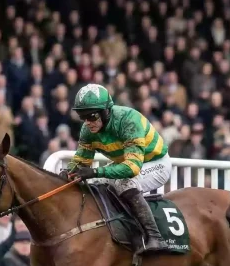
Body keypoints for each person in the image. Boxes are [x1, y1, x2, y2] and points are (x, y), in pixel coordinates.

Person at [63, 83, 172, 254]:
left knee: (124, 183)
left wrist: (95, 171)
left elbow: (132, 167)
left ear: (106, 111)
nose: (87, 123)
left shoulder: (128, 120)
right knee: (96, 183)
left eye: (91, 116)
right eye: (82, 116)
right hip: (127, 162)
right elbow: (81, 161)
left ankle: (155, 237)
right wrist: (67, 173)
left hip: (155, 163)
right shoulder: (87, 129)